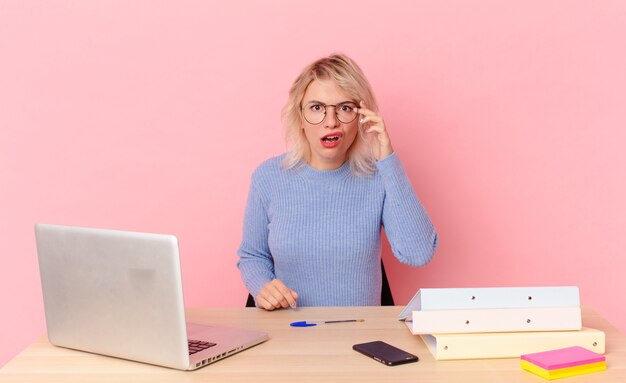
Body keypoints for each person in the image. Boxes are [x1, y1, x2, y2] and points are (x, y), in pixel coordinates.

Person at [237, 53, 438, 310]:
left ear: (362, 115)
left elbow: (419, 252)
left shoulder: (379, 176)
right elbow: (252, 256)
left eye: (344, 108)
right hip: (288, 335)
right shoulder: (268, 177)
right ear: (299, 116)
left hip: (358, 339)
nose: (330, 122)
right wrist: (262, 286)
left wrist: (387, 159)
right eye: (317, 108)